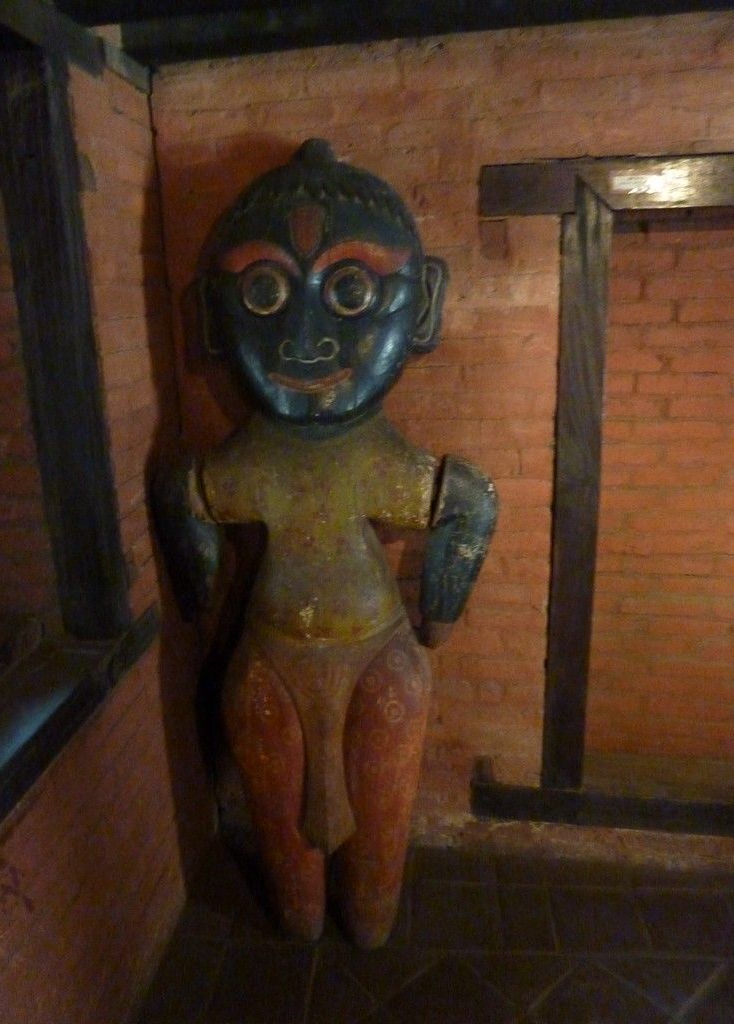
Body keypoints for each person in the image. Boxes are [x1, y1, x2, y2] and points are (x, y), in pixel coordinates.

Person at [153, 139, 497, 948]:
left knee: (377, 860)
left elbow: (470, 502)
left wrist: (439, 611)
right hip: (270, 660)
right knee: (291, 872)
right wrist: (199, 591)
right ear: (210, 317)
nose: (304, 340)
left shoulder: (375, 459)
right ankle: (305, 912)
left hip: (377, 655)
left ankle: (366, 912)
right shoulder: (253, 461)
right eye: (264, 291)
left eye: (351, 290)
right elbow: (185, 492)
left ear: (423, 305)